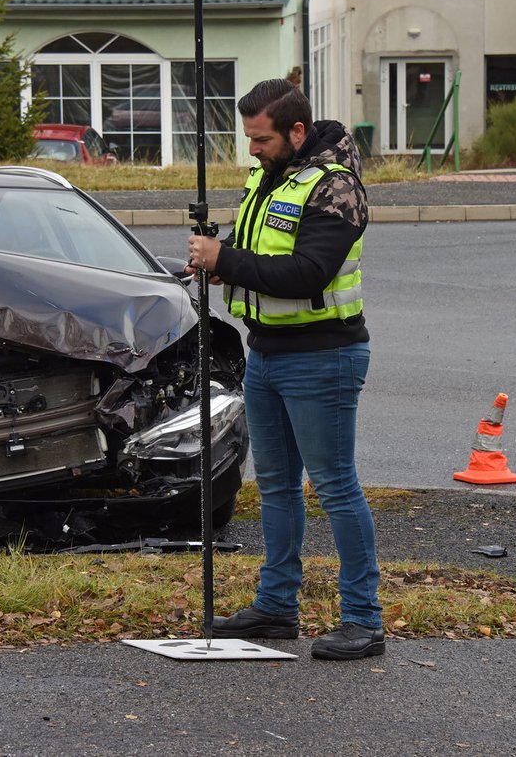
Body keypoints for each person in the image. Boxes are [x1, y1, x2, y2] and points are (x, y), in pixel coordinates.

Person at [186, 78, 383, 660]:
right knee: (273, 485)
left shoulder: (336, 188)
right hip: (267, 352)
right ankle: (276, 607)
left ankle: (364, 619)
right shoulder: (272, 177)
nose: (253, 149)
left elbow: (308, 273)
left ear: (297, 131)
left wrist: (227, 259)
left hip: (324, 355)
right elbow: (268, 260)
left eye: (262, 138)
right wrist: (228, 269)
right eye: (248, 138)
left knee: (335, 486)